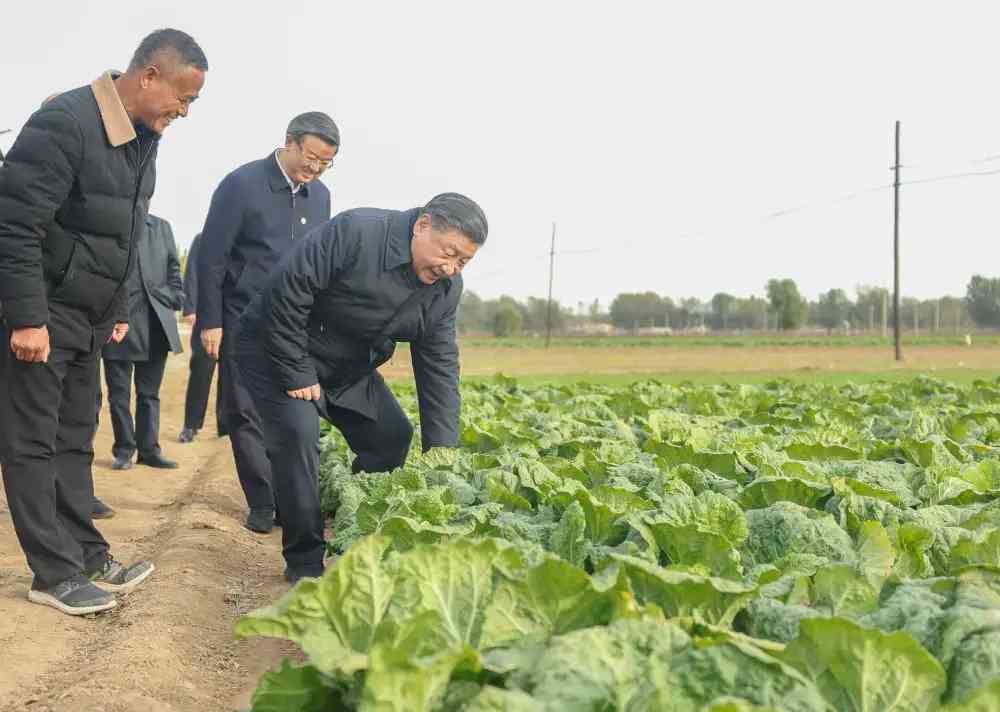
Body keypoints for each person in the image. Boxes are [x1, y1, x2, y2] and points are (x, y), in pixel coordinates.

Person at [0, 29, 208, 615]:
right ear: (149, 77)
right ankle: (52, 573)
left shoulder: (144, 136)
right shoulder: (64, 123)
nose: (183, 113)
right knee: (32, 444)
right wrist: (26, 318)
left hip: (90, 319)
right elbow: (15, 227)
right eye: (182, 99)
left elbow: (126, 233)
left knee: (73, 439)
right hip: (43, 314)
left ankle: (88, 554)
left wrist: (115, 312)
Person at [237, 193, 487, 583]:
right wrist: (298, 372)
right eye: (449, 252)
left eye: (463, 261)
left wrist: (443, 454)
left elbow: (438, 367)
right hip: (279, 345)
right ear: (423, 225)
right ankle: (304, 560)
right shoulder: (357, 232)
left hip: (349, 365)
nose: (451, 268)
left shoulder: (444, 291)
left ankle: (356, 525)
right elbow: (286, 292)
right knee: (299, 435)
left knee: (391, 436)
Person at [198, 112, 339, 534]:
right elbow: (212, 257)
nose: (315, 168)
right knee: (244, 410)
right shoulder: (241, 185)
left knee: (295, 412)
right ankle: (262, 501)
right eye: (311, 157)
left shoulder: (322, 197)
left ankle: (291, 497)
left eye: (325, 162)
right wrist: (211, 320)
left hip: (296, 325)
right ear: (290, 142)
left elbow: (321, 264)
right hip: (242, 317)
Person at [101, 213, 185, 470]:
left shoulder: (161, 227)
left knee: (149, 394)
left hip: (155, 325)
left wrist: (172, 295)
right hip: (117, 324)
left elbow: (173, 268)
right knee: (119, 395)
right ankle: (124, 450)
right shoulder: (109, 223)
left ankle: (149, 450)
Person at [178, 233, 225, 443]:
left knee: (231, 375)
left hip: (236, 315)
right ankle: (190, 425)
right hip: (207, 316)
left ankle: (226, 425)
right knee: (201, 370)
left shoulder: (248, 238)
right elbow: (193, 273)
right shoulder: (203, 238)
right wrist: (190, 308)